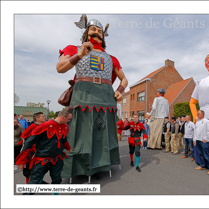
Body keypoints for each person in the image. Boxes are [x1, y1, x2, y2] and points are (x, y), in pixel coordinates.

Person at [56, 14, 128, 179]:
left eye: (99, 31)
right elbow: (60, 68)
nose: (96, 33)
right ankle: (78, 169)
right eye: (93, 29)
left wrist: (120, 90)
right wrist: (80, 54)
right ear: (86, 32)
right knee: (80, 131)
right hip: (83, 94)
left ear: (103, 35)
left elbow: (124, 78)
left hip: (105, 96)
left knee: (103, 132)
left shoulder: (112, 58)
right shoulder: (73, 49)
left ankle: (101, 166)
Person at [15, 110, 72, 192]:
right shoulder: (44, 125)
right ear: (63, 117)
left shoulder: (65, 126)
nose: (69, 121)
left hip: (57, 157)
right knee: (34, 179)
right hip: (41, 157)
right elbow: (28, 142)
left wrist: (67, 147)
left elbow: (63, 138)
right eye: (68, 119)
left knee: (57, 179)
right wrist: (22, 159)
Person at [18, 112, 46, 184]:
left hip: (40, 151)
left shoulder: (44, 126)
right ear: (37, 119)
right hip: (32, 152)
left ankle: (38, 182)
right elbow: (25, 137)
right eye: (43, 116)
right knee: (30, 170)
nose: (45, 117)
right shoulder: (32, 126)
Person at [194, 110, 209, 175]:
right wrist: (194, 139)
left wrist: (206, 139)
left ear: (202, 114)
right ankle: (202, 165)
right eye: (197, 114)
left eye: (198, 114)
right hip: (198, 140)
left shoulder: (207, 121)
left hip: (203, 141)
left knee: (206, 155)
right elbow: (195, 131)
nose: (197, 115)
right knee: (200, 154)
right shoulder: (197, 122)